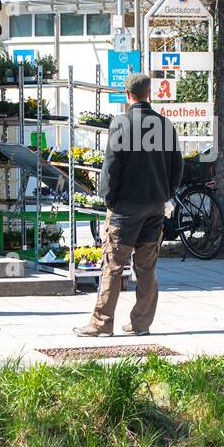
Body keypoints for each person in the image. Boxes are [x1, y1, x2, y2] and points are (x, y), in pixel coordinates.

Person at [76, 72, 183, 337]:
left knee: (113, 265)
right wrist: (165, 193)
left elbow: (111, 167)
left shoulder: (121, 124)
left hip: (125, 209)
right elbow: (177, 167)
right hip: (155, 206)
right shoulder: (165, 125)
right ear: (149, 94)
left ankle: (101, 324)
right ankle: (141, 323)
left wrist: (109, 199)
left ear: (127, 95)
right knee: (146, 267)